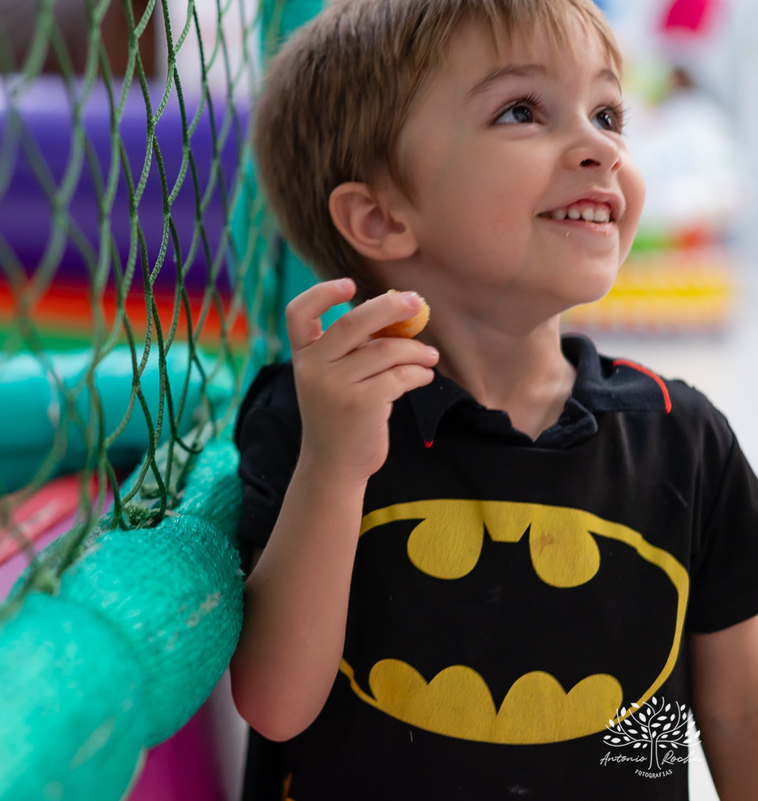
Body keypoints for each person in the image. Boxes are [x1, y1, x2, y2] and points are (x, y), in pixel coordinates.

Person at [227, 1, 758, 798]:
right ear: (381, 217)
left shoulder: (683, 438)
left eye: (608, 113)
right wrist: (334, 467)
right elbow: (275, 706)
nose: (602, 147)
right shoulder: (311, 424)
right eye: (522, 111)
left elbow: (739, 711)